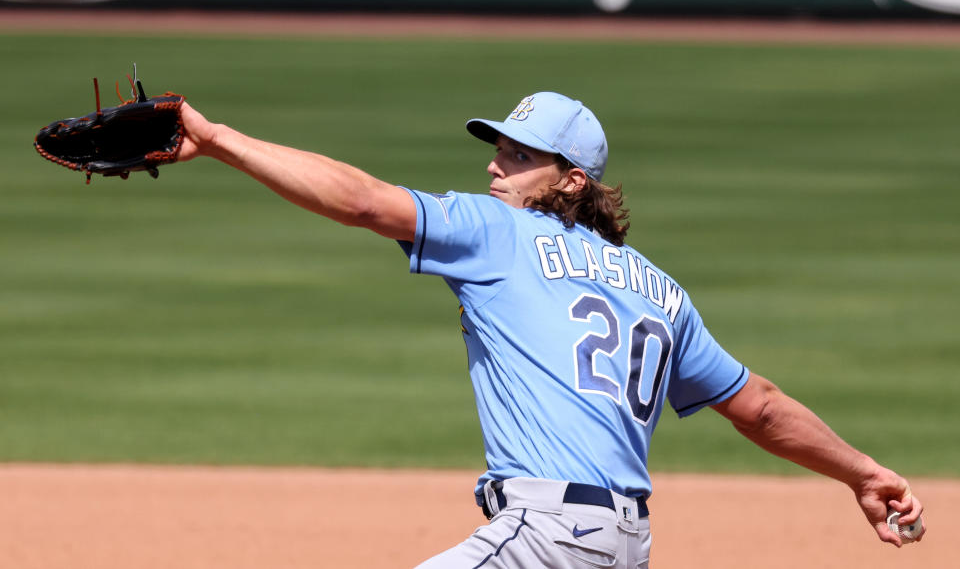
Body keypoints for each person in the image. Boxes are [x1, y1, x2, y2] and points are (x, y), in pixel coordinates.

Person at [176, 91, 924, 568]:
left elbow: (367, 203)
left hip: (546, 537)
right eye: (497, 149)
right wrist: (862, 471)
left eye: (520, 156)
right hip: (625, 548)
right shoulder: (662, 289)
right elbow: (757, 404)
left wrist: (219, 142)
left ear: (572, 181)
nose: (496, 168)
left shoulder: (499, 231)